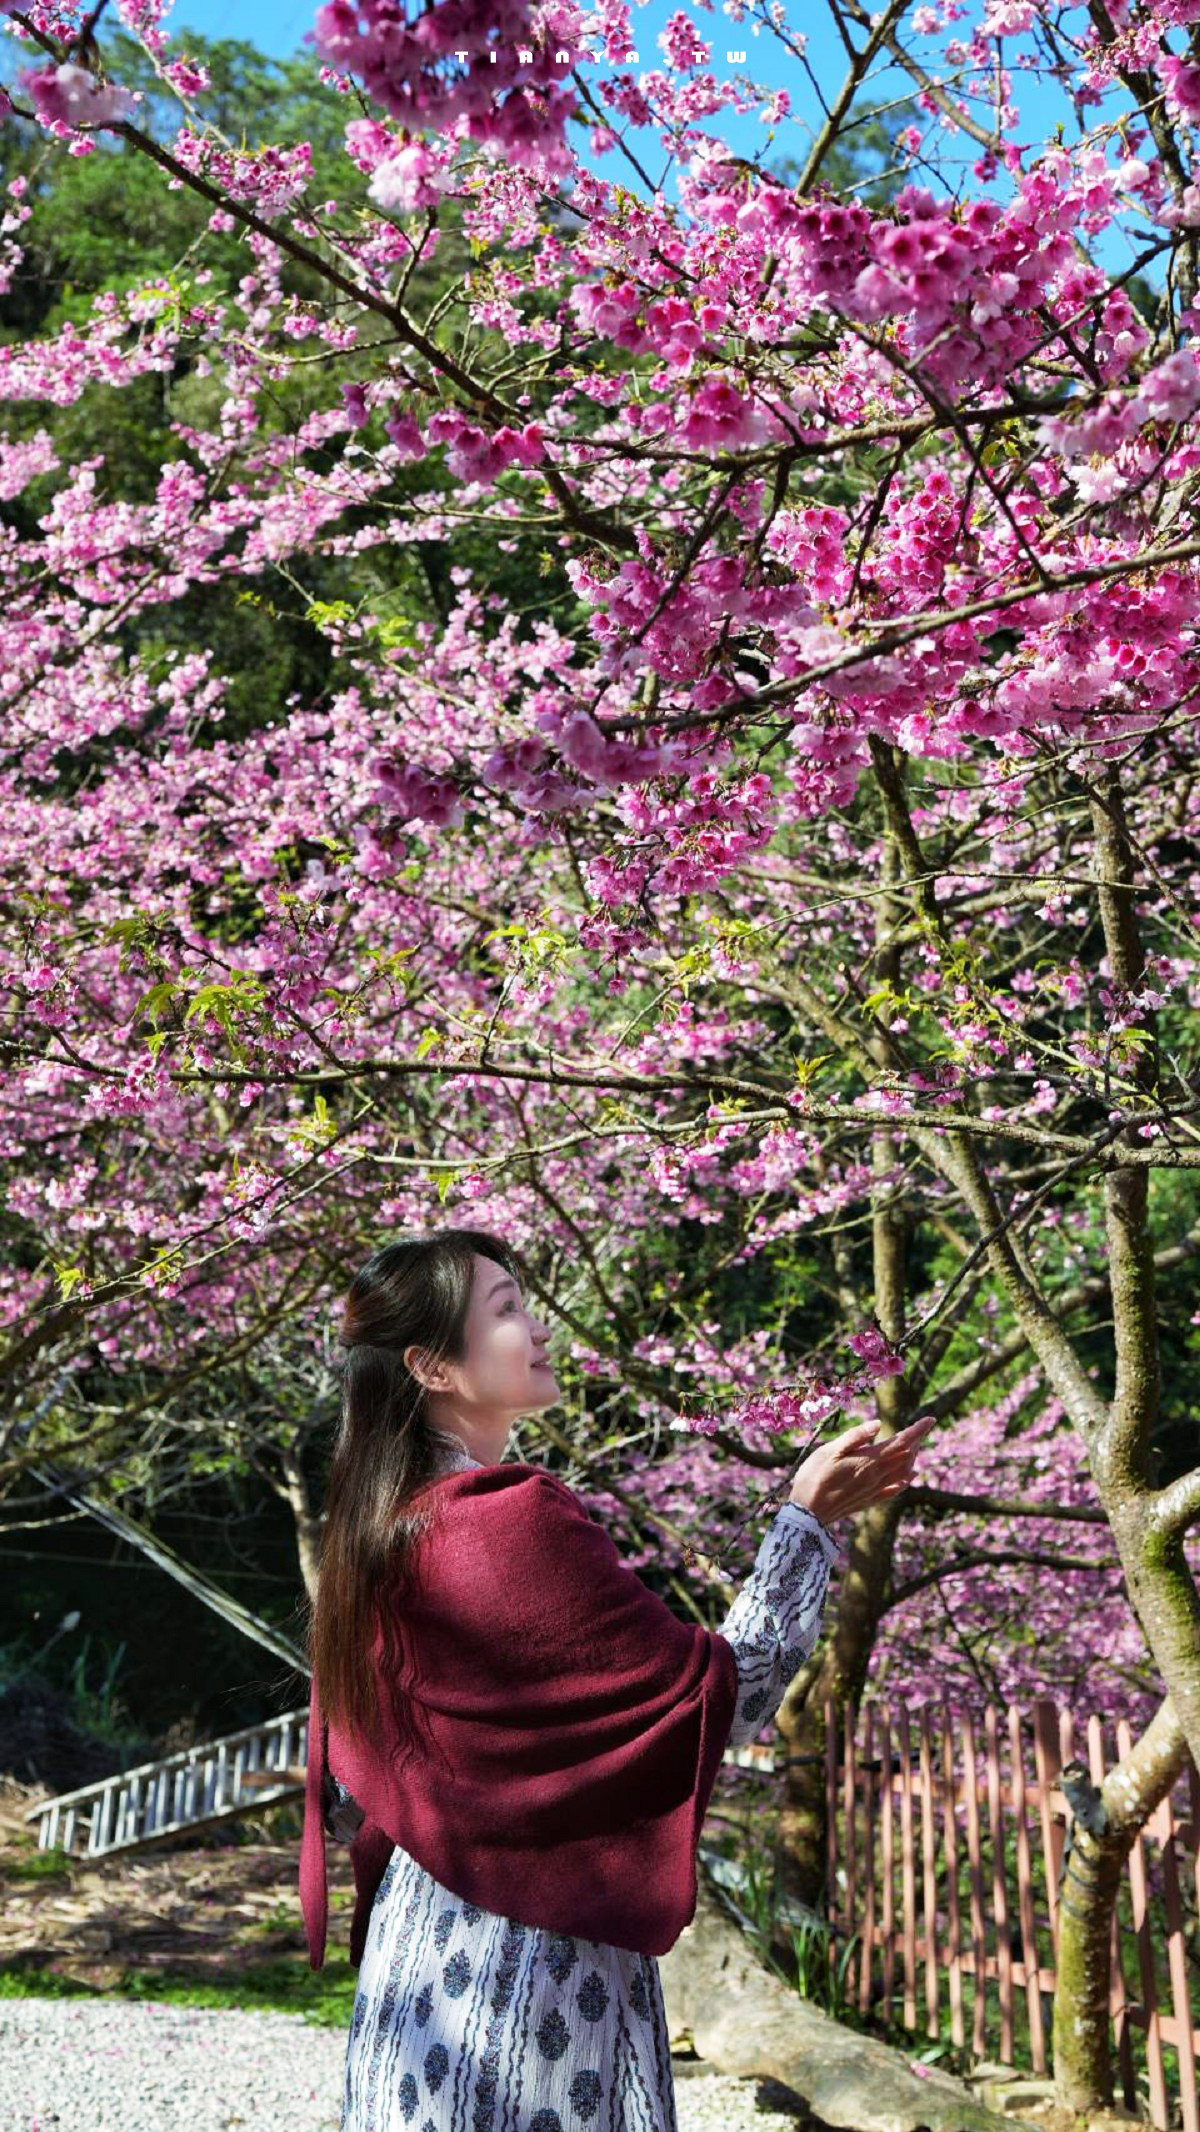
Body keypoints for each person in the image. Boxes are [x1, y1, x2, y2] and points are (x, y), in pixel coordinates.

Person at [300, 1227, 936, 2132]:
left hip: (419, 1976)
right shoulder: (509, 1521)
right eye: (506, 1309)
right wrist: (803, 1524)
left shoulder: (375, 1533)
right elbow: (724, 1699)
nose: (538, 1325)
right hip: (530, 1976)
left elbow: (356, 1786)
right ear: (432, 1365)